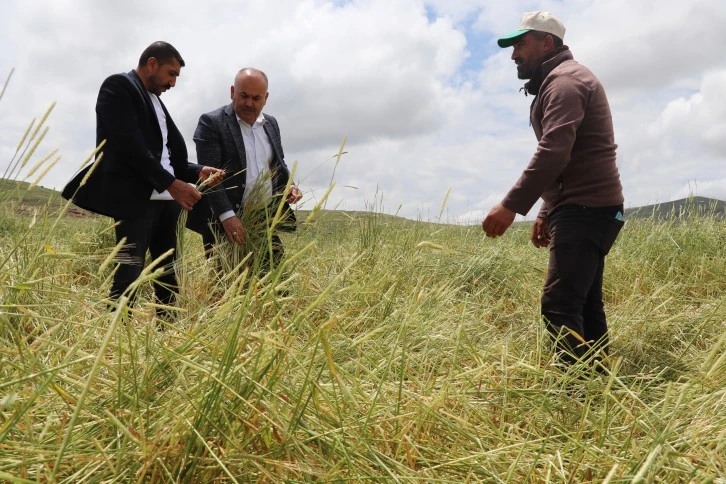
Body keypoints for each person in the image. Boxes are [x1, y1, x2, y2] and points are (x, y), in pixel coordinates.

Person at [482, 12, 625, 367]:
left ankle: (576, 393)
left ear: (547, 42)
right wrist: (547, 210)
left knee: (559, 305)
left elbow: (555, 150)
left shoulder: (565, 82)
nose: (514, 54)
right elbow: (569, 155)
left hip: (586, 210)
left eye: (520, 44)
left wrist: (511, 205)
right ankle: (597, 386)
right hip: (588, 208)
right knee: (585, 304)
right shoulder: (561, 80)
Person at [62, 41, 224, 318]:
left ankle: (167, 334)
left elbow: (166, 157)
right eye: (170, 74)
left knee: (169, 273)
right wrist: (173, 185)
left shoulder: (157, 102)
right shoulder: (118, 87)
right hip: (134, 202)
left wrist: (196, 171)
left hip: (166, 203)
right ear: (152, 63)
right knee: (128, 274)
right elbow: (129, 147)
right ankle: (117, 339)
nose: (173, 83)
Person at [186, 68, 301, 272]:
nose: (249, 103)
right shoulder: (211, 122)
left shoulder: (271, 124)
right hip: (224, 224)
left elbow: (277, 163)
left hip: (263, 220)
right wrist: (227, 217)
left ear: (266, 98)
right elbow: (210, 179)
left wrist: (289, 186)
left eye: (256, 98)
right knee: (225, 289)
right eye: (244, 96)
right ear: (232, 91)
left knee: (275, 286)